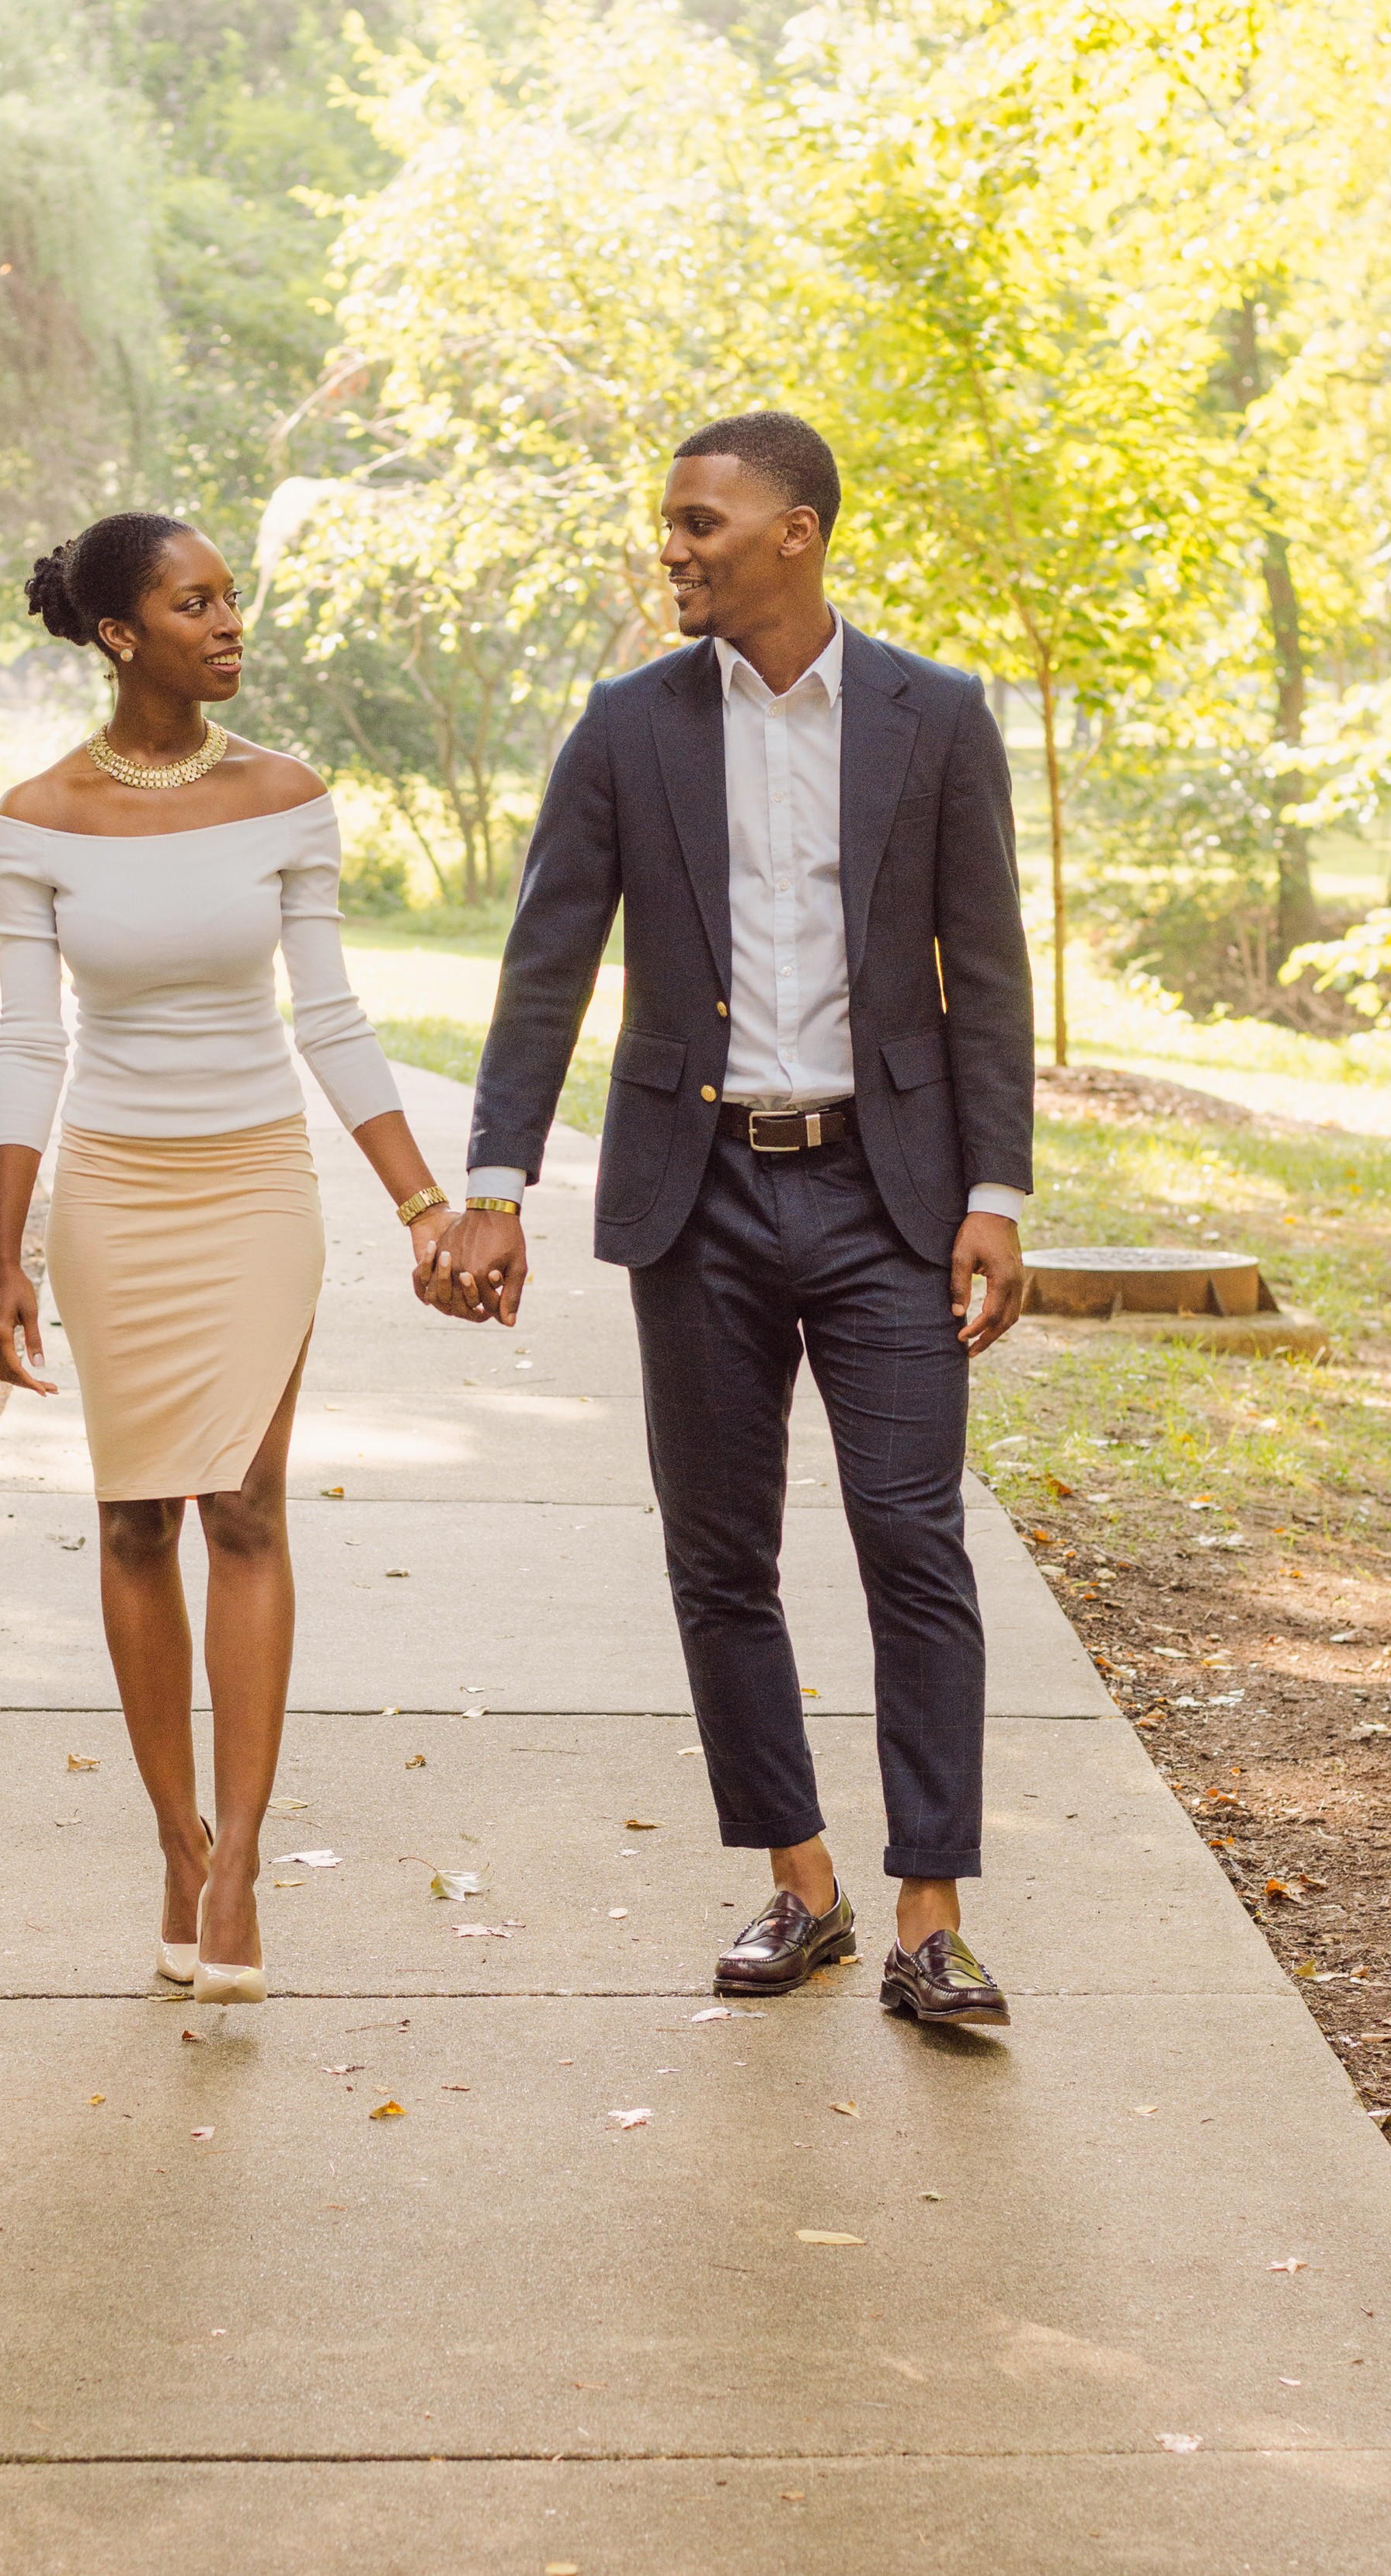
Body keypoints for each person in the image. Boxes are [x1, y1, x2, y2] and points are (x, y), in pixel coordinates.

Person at [426, 413, 1034, 2024]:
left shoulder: (935, 715)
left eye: (702, 522)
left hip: (887, 1194)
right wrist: (494, 1185)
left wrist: (994, 1194)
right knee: (721, 1557)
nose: (675, 547)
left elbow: (987, 972)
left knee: (916, 1542)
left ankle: (931, 1912)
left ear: (796, 532)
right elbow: (546, 963)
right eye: (670, 524)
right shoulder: (627, 727)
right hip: (695, 1198)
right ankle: (803, 1886)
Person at [0, 511, 457, 2007]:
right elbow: (25, 1042)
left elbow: (330, 1018)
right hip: (114, 1193)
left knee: (244, 1508)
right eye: (196, 605)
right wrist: (2, 1250)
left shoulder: (287, 797)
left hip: (255, 1181)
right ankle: (175, 1846)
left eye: (232, 599)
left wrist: (420, 1202)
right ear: (121, 635)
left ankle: (241, 1862)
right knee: (135, 1523)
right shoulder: (36, 818)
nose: (229, 625)